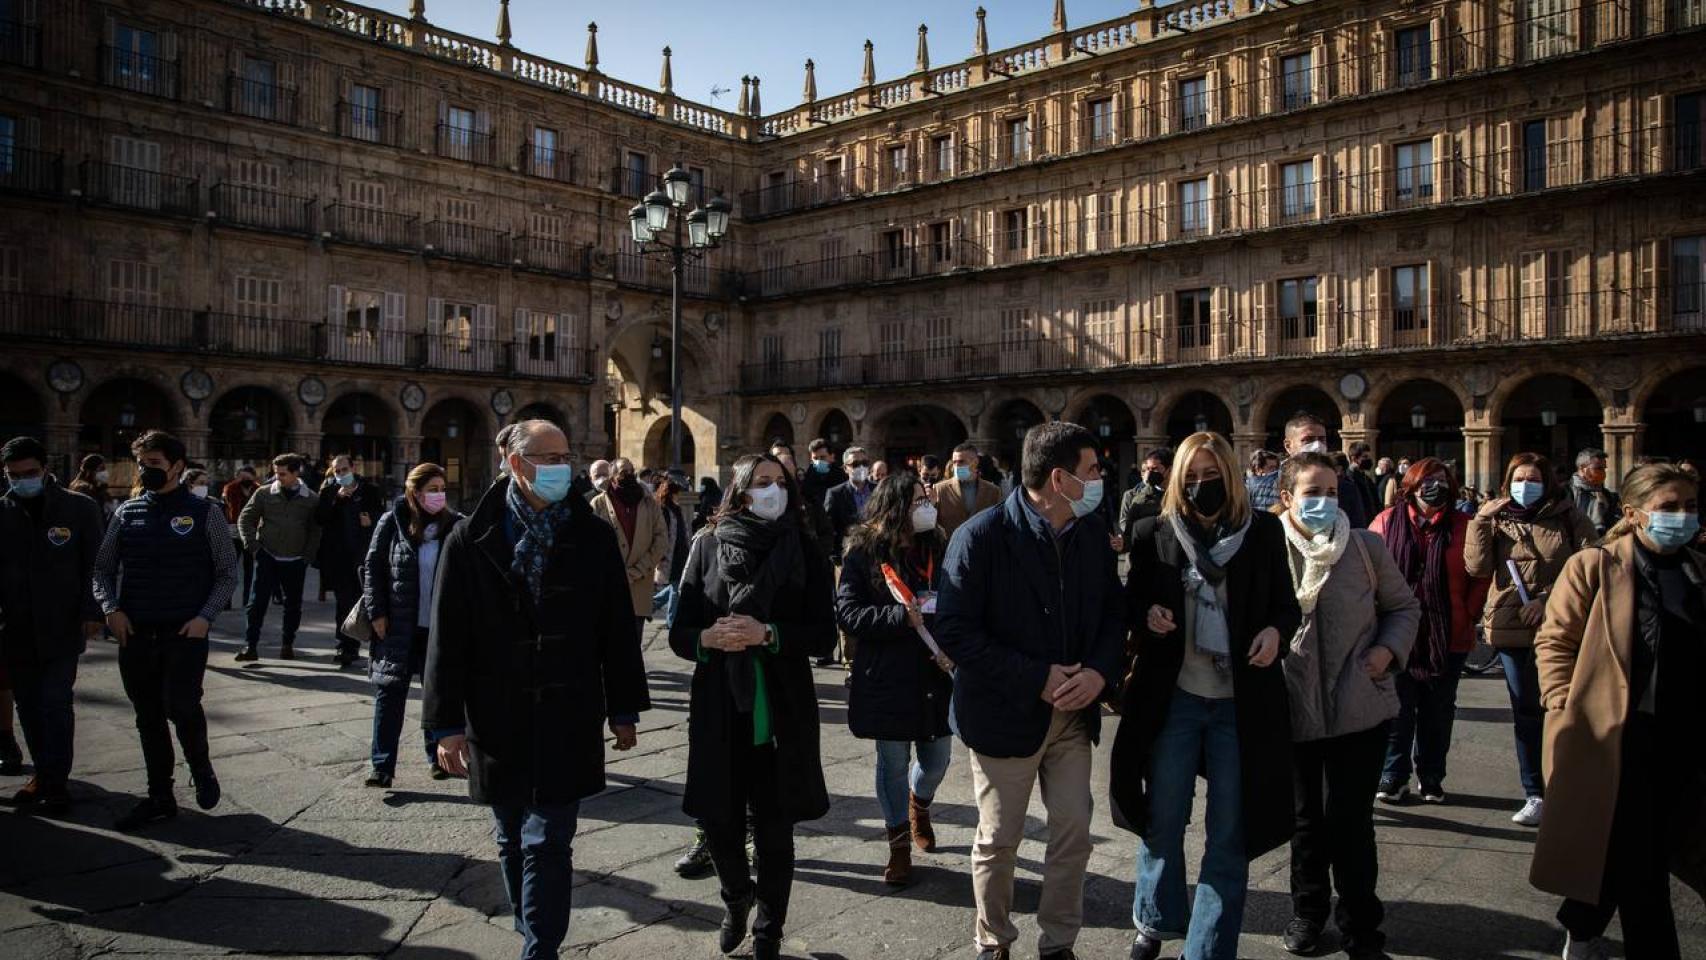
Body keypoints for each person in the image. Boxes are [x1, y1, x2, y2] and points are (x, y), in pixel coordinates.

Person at [424, 420, 648, 960]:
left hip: (568, 708)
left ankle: (540, 948)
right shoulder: (469, 536)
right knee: (509, 836)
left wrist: (623, 709)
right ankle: (532, 928)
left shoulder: (591, 535)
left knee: (549, 840)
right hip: (495, 713)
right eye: (548, 457)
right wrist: (445, 726)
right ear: (515, 462)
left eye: (565, 456)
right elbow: (447, 637)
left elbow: (616, 629)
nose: (560, 467)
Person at [935, 422, 1126, 960]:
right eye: (1092, 470)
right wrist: (1035, 677)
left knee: (1073, 833)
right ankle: (993, 939)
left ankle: (1058, 942)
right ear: (1060, 478)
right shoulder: (981, 536)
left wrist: (1098, 673)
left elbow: (1113, 612)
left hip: (1073, 717)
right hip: (1003, 715)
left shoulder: (1091, 534)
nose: (1099, 479)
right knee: (999, 840)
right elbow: (954, 629)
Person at [1112, 431, 1302, 960]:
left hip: (1240, 704)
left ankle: (1208, 948)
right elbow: (1132, 602)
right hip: (1175, 698)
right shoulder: (1154, 533)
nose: (1201, 487)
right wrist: (1147, 615)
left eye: (1211, 477)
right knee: (1163, 818)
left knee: (1229, 834)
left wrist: (1275, 634)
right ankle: (1156, 918)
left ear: (1232, 478)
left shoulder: (1263, 533)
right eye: (1191, 479)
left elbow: (1286, 607)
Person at [1529, 463, 1705, 960]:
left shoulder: (1699, 568)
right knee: (1643, 862)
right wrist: (1561, 701)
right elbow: (1555, 639)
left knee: (1631, 848)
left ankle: (1580, 922)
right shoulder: (1595, 565)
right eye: (1668, 507)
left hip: (1685, 736)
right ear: (1633, 513)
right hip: (1616, 737)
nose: (1681, 516)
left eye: (1689, 506)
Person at [668, 452, 836, 960]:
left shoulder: (805, 549)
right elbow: (680, 633)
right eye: (762, 483)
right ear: (740, 491)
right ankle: (736, 897)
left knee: (774, 825)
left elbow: (823, 634)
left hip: (781, 707)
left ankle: (769, 927)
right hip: (721, 703)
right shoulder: (706, 545)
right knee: (718, 819)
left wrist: (771, 633)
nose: (773, 491)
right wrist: (709, 639)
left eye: (780, 483)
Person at [1271, 452, 1421, 958]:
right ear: (1287, 498)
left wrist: (1386, 651)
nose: (1324, 502)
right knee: (1305, 821)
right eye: (1312, 492)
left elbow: (1403, 606)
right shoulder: (1267, 548)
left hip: (1360, 704)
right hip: (1292, 705)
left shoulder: (1364, 547)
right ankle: (1307, 913)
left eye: (1332, 492)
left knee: (1352, 823)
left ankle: (1361, 925)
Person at [92, 430, 239, 830]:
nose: (145, 470)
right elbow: (103, 569)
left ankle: (201, 767)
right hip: (136, 633)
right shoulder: (127, 512)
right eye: (142, 464)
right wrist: (111, 609)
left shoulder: (205, 512)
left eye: (154, 463)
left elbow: (227, 573)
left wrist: (205, 616)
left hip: (184, 633)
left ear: (176, 466)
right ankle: (160, 794)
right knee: (148, 715)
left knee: (183, 706)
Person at [1463, 452, 1597, 828]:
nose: (1526, 485)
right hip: (1510, 625)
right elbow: (1476, 568)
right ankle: (1534, 792)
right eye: (1519, 478)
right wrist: (1481, 520)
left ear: (1547, 481)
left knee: (1563, 706)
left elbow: (1592, 563)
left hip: (1562, 624)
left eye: (1533, 478)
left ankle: (1568, 785)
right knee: (1525, 712)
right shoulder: (1497, 517)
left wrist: (1547, 599)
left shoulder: (1569, 516)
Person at [836, 471, 953, 886]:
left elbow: (959, 599)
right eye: (919, 500)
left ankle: (919, 804)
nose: (927, 506)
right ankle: (898, 844)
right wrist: (897, 616)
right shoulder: (863, 552)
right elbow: (847, 612)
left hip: (935, 672)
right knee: (892, 762)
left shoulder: (939, 544)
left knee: (937, 760)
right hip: (887, 674)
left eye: (928, 499)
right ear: (897, 506)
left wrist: (951, 644)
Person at [1369, 458, 1490, 804]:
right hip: (1396, 633)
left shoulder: (1466, 525)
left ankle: (1432, 773)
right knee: (1397, 706)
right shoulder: (1385, 521)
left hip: (1448, 631)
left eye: (1440, 480)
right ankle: (1394, 774)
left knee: (1438, 708)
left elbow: (1481, 574)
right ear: (1410, 485)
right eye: (1425, 480)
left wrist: (1468, 612)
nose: (1432, 487)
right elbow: (1370, 571)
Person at [0, 437, 104, 812]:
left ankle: (56, 784)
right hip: (15, 628)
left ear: (45, 469)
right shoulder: (3, 511)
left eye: (29, 473)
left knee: (55, 703)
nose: (21, 480)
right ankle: (43, 774)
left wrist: (94, 610)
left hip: (62, 624)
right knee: (27, 705)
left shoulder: (79, 508)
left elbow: (97, 564)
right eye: (13, 475)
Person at [361, 463, 462, 788]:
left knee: (436, 694)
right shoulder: (391, 523)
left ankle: (437, 757)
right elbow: (373, 567)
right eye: (432, 489)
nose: (438, 495)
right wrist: (377, 612)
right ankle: (382, 765)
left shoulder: (456, 525)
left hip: (440, 628)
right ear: (415, 492)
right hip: (398, 624)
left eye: (441, 488)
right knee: (389, 694)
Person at [236, 453, 320, 663]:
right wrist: (254, 547)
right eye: (276, 473)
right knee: (256, 604)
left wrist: (307, 556)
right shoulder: (264, 493)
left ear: (295, 473)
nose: (277, 477)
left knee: (293, 606)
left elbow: (315, 530)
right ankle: (251, 645)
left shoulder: (310, 498)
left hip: (295, 561)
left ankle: (287, 645)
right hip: (268, 558)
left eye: (282, 474)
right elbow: (245, 519)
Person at [317, 454, 385, 668]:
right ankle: (345, 646)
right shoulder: (328, 492)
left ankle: (371, 646)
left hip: (364, 556)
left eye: (344, 470)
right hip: (339, 558)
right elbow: (319, 518)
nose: (341, 475)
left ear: (353, 468)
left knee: (367, 602)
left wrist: (370, 520)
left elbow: (382, 518)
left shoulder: (370, 490)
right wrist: (336, 499)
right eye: (337, 471)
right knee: (343, 604)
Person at [591, 458, 669, 640]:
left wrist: (636, 571)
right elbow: (590, 544)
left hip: (639, 589)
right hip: (608, 589)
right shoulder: (598, 504)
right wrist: (613, 572)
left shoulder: (649, 504)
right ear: (612, 476)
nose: (628, 475)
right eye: (623, 472)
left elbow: (661, 541)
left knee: (633, 645)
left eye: (631, 471)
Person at [1281, 412, 1369, 528]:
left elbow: (1357, 527)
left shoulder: (1346, 488)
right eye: (1308, 440)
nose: (1317, 445)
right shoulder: (1271, 485)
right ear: (1288, 445)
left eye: (1322, 439)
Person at [932, 442, 1002, 541]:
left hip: (983, 549)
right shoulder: (940, 489)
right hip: (951, 550)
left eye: (961, 461)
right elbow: (934, 523)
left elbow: (998, 523)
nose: (956, 466)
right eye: (954, 462)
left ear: (975, 462)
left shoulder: (993, 491)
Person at [653, 472, 690, 626]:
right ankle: (671, 620)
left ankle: (652, 604)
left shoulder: (675, 508)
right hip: (670, 553)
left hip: (680, 550)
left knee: (676, 584)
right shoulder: (663, 510)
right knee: (676, 586)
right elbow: (662, 532)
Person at [1118, 447, 1172, 551]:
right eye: (1148, 469)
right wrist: (1122, 544)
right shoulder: (1140, 500)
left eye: (1155, 469)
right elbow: (1129, 534)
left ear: (1169, 469)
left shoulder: (1182, 496)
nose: (1150, 473)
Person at [221, 466, 259, 608]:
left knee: (249, 569)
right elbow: (231, 509)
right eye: (242, 478)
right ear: (237, 477)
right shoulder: (230, 488)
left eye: (248, 478)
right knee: (230, 567)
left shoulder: (257, 489)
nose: (245, 481)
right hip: (233, 532)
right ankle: (226, 602)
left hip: (250, 532)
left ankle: (247, 600)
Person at [1569, 448, 1620, 538]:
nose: (1603, 472)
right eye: (1598, 468)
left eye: (1604, 468)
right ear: (1582, 468)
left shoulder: (1608, 495)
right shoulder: (1567, 492)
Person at [69, 454, 113, 520]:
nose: (105, 472)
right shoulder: (83, 488)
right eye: (101, 468)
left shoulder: (92, 486)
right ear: (91, 470)